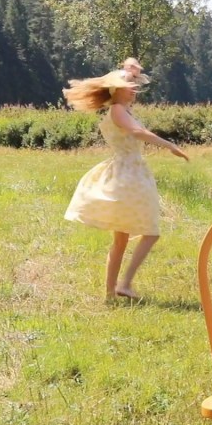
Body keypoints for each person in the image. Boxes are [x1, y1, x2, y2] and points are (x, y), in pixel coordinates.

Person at [62, 65, 189, 302]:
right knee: (150, 232)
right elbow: (137, 132)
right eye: (128, 86)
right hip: (129, 175)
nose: (134, 89)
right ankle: (125, 284)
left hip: (127, 173)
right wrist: (169, 145)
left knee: (121, 240)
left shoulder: (123, 110)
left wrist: (130, 67)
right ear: (115, 90)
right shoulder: (119, 110)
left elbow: (137, 127)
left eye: (134, 85)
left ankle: (111, 293)